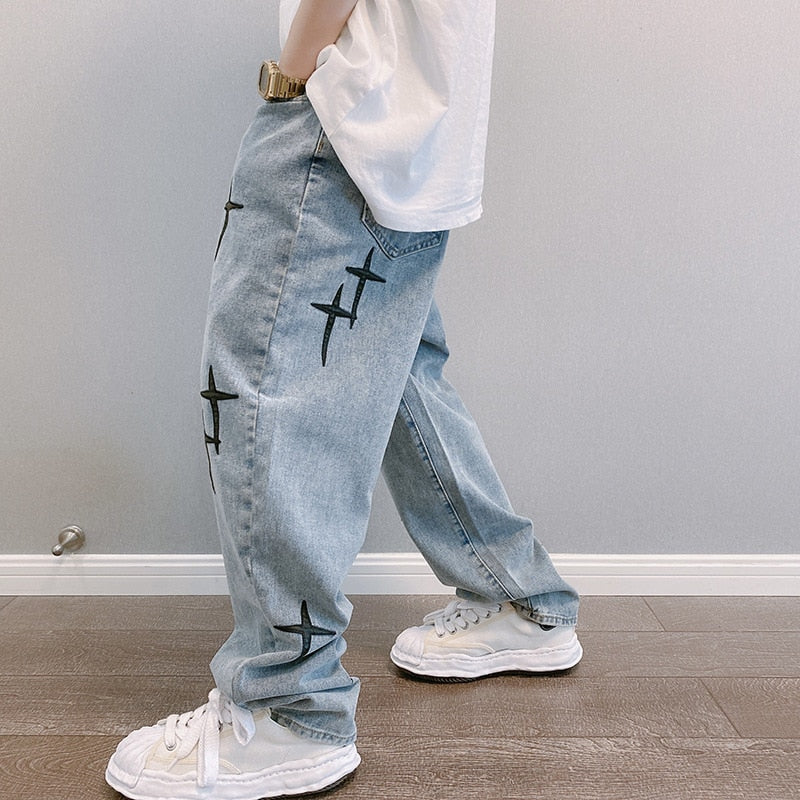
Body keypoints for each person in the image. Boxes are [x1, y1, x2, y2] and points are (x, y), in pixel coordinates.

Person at [105, 2, 581, 798]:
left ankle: (287, 706)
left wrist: (291, 75)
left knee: (264, 382)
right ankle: (516, 595)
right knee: (392, 370)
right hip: (419, 118)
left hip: (344, 110)